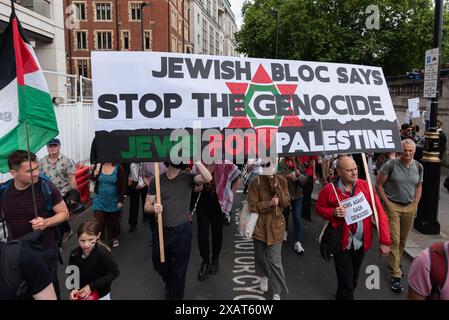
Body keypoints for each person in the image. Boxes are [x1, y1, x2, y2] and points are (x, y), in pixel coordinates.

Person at [316, 156, 391, 300]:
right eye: (349, 170)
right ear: (339, 171)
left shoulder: (366, 186)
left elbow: (380, 213)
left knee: (353, 278)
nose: (354, 173)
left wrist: (385, 241)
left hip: (361, 243)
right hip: (341, 243)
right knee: (347, 282)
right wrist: (333, 212)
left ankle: (341, 294)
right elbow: (319, 207)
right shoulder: (329, 189)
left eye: (355, 169)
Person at [0, 150, 69, 298]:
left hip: (44, 251)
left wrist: (46, 222)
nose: (36, 173)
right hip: (16, 254)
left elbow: (64, 213)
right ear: (13, 173)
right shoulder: (4, 191)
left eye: (37, 168)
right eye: (30, 170)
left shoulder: (46, 187)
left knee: (49, 290)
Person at [144, 161, 212, 300]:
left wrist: (197, 160)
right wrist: (153, 208)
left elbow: (208, 178)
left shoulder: (188, 177)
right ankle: (170, 283)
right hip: (161, 231)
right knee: (159, 265)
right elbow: (146, 205)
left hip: (182, 231)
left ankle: (176, 296)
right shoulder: (157, 180)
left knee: (180, 271)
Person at [376, 139, 423, 293]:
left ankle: (394, 262)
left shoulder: (418, 166)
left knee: (403, 239)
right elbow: (379, 185)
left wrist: (415, 203)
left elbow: (418, 186)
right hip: (393, 206)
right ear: (400, 150)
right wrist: (387, 204)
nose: (407, 153)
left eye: (410, 150)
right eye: (405, 150)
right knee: (394, 240)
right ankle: (396, 275)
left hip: (409, 207)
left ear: (414, 151)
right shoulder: (391, 165)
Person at [247, 159, 290, 300]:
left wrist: (277, 188)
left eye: (270, 165)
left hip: (277, 226)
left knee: (275, 261)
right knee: (260, 256)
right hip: (260, 227)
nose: (267, 168)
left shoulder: (282, 181)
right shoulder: (256, 182)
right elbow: (252, 206)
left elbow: (286, 202)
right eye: (264, 165)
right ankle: (263, 276)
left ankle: (277, 290)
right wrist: (269, 204)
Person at [191, 161, 240, 281]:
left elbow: (237, 181)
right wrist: (196, 186)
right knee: (202, 235)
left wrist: (229, 196)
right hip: (202, 205)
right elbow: (192, 183)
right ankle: (205, 261)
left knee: (217, 233)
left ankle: (215, 259)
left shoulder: (224, 164)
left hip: (218, 206)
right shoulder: (198, 165)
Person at [69, 220, 120, 300]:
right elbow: (72, 272)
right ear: (77, 237)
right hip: (82, 294)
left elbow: (114, 272)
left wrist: (91, 287)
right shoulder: (74, 254)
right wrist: (73, 289)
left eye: (90, 240)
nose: (86, 244)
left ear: (98, 236)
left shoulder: (102, 253)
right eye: (82, 240)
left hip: (102, 294)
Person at [39, 138, 77, 245]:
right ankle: (68, 230)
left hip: (63, 194)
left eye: (54, 145)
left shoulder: (67, 161)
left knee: (58, 219)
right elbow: (39, 178)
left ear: (59, 147)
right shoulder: (41, 162)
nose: (52, 148)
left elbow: (72, 178)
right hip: (48, 195)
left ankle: (58, 244)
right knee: (57, 218)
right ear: (47, 148)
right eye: (50, 146)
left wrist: (74, 195)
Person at [91, 163, 127, 248]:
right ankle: (100, 239)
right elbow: (92, 178)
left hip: (113, 199)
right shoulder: (99, 165)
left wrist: (120, 200)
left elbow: (122, 184)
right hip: (99, 198)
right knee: (98, 220)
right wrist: (94, 174)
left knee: (113, 220)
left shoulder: (118, 167)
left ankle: (114, 237)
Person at [277, 157, 307, 253]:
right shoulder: (281, 163)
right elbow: (277, 178)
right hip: (286, 195)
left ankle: (297, 241)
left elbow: (305, 180)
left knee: (297, 217)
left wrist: (299, 176)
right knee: (284, 215)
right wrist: (286, 177)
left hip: (298, 195)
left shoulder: (300, 164)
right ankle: (284, 231)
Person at [140, 162, 167, 242]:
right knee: (152, 215)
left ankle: (164, 235)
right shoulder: (146, 162)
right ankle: (155, 235)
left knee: (165, 212)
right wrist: (150, 185)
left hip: (165, 191)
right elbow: (143, 176)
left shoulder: (165, 161)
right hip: (151, 192)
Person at [126, 163, 148, 233]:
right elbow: (126, 169)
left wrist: (143, 183)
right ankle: (133, 223)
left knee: (145, 200)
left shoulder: (145, 161)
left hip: (145, 182)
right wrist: (128, 177)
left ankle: (146, 215)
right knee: (133, 203)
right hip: (134, 182)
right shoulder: (129, 160)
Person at [298, 155, 317, 221]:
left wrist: (314, 174)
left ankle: (305, 214)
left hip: (308, 174)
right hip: (300, 174)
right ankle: (300, 212)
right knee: (300, 194)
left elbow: (313, 161)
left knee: (307, 195)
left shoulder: (310, 148)